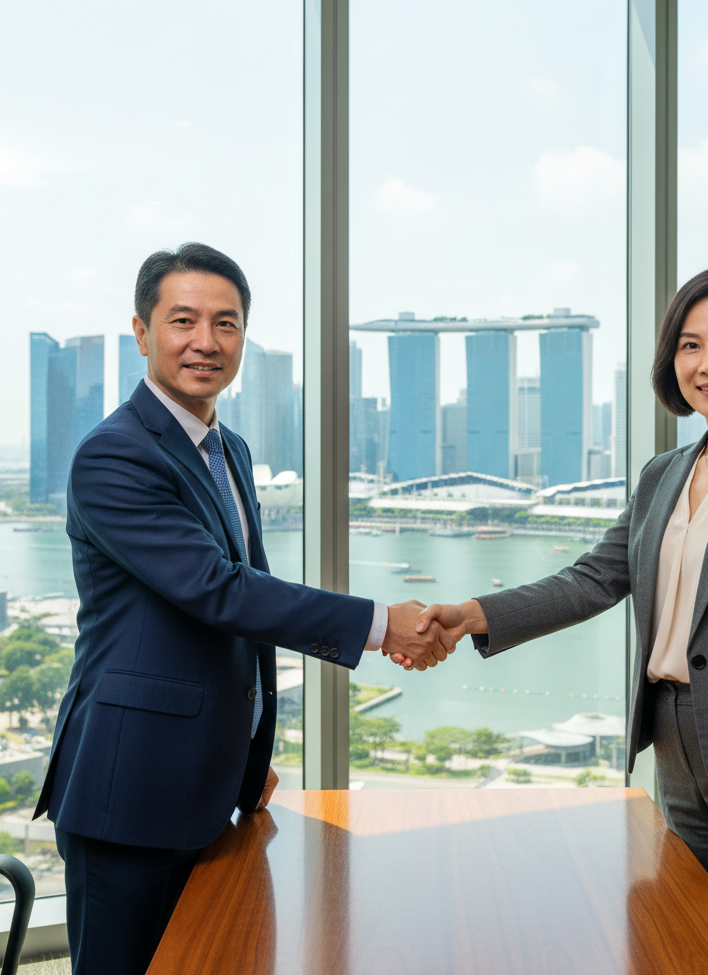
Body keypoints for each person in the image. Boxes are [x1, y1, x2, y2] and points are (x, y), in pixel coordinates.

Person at [405, 267, 708, 975]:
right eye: (689, 346)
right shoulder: (663, 474)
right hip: (675, 751)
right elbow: (594, 578)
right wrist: (474, 614)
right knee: (686, 947)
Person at [33, 242, 453, 975]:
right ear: (142, 332)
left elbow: (241, 608)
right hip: (128, 792)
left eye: (225, 324)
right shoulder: (114, 455)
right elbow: (218, 590)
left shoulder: (228, 449)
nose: (205, 342)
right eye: (183, 321)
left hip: (210, 789)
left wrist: (245, 758)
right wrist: (384, 626)